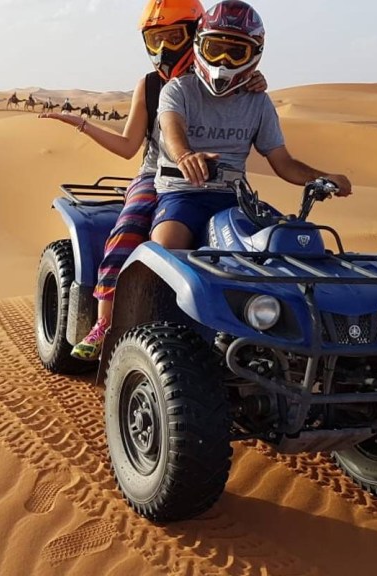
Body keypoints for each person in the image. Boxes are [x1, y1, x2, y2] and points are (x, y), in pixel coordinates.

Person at [40, 0, 267, 361]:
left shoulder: (224, 75)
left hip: (220, 182)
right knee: (129, 228)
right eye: (156, 39)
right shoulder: (149, 85)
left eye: (173, 37)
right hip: (157, 175)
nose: (163, 49)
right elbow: (130, 145)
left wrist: (254, 80)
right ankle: (104, 322)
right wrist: (83, 124)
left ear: (196, 33)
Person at [152, 0, 351, 252]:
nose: (223, 61)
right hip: (182, 193)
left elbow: (283, 162)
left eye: (236, 53)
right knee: (166, 246)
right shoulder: (178, 90)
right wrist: (184, 155)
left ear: (254, 54)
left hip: (235, 199)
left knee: (293, 244)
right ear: (199, 46)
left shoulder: (258, 102)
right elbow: (172, 127)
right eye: (215, 49)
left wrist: (321, 177)